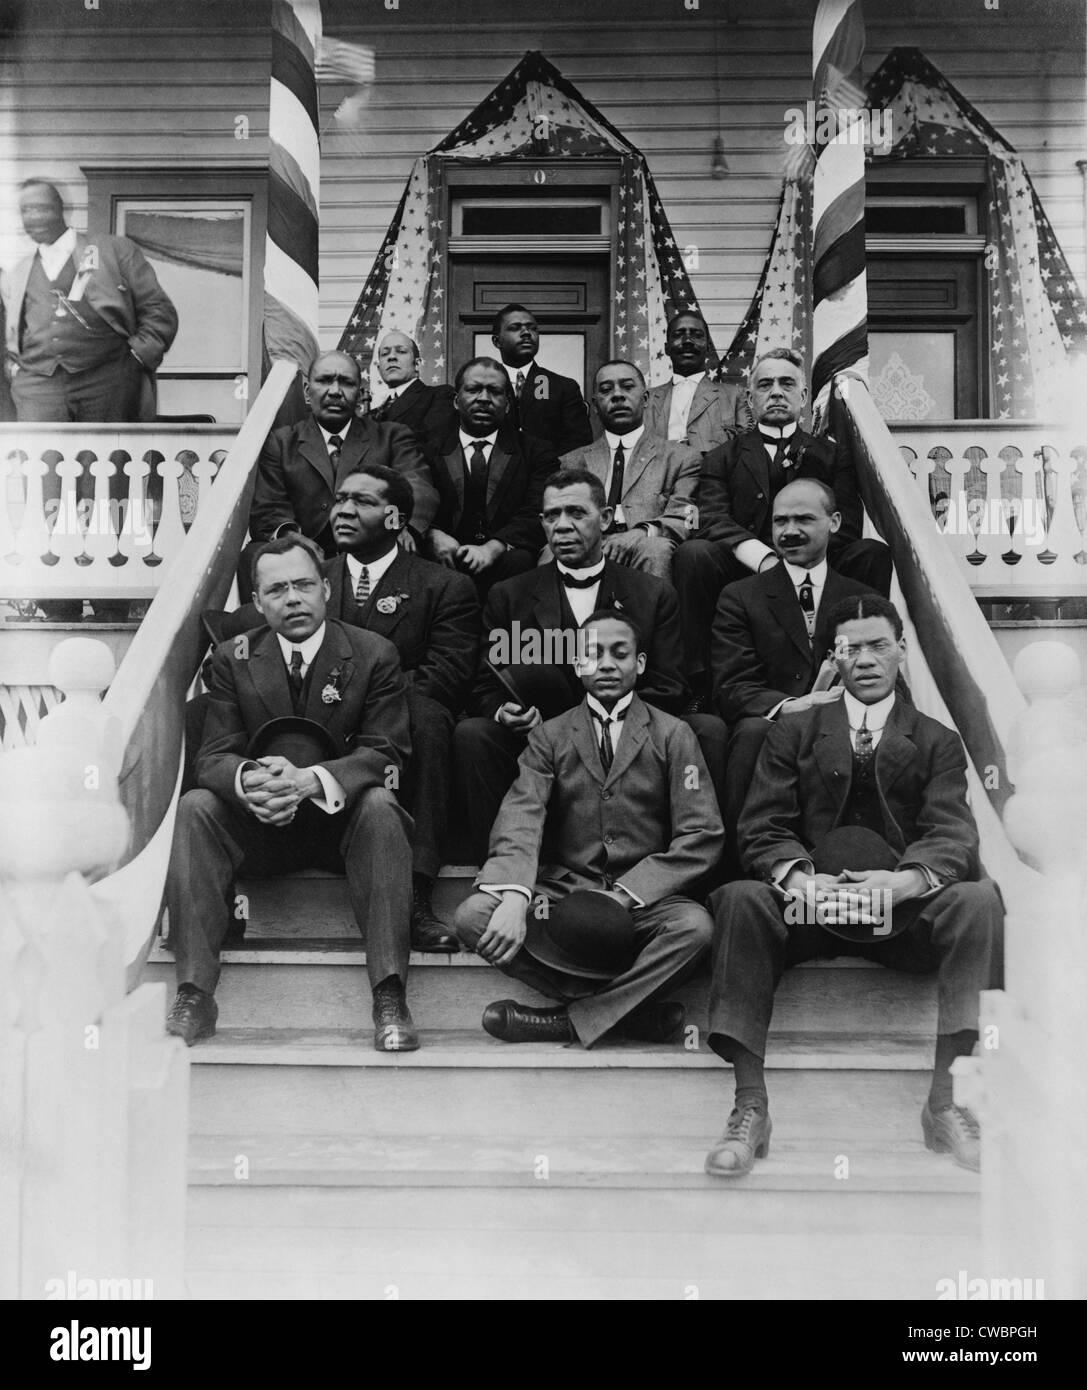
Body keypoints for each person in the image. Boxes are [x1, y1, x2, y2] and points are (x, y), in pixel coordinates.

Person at [703, 594, 1003, 1178]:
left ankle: (947, 1103)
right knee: (741, 898)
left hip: (898, 914)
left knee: (980, 901)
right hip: (810, 911)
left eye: (877, 645)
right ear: (832, 658)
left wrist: (905, 881)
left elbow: (952, 830)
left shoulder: (937, 739)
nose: (864, 659)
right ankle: (750, 1107)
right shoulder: (793, 730)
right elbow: (762, 825)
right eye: (849, 648)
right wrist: (802, 882)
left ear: (900, 651)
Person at [163, 534, 420, 1053]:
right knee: (195, 807)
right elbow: (214, 754)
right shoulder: (234, 656)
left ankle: (390, 992)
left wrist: (310, 781)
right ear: (257, 602)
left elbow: (386, 753)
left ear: (326, 588)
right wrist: (249, 782)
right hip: (261, 826)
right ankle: (194, 994)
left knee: (381, 805)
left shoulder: (373, 654)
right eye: (277, 590)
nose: (293, 599)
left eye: (304, 585)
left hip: (340, 827)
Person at [454, 609, 723, 1047]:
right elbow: (523, 816)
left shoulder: (674, 735)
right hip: (567, 896)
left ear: (640, 664)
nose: (606, 664)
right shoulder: (550, 737)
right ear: (577, 665)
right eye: (592, 654)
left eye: (620, 654)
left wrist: (623, 895)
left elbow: (702, 834)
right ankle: (627, 1014)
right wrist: (514, 894)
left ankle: (567, 1021)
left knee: (696, 929)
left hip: (643, 901)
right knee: (474, 917)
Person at [452, 468, 727, 865]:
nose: (562, 526)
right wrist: (503, 710)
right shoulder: (509, 595)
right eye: (551, 516)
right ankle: (502, 874)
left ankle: (686, 871)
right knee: (473, 734)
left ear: (606, 517)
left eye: (576, 513)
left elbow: (668, 685)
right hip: (538, 740)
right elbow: (484, 684)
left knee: (706, 729)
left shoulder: (653, 594)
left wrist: (603, 726)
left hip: (627, 735)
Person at [674, 346, 891, 702]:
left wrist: (800, 556)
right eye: (765, 385)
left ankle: (862, 666)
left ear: (803, 396)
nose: (776, 392)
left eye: (787, 384)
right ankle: (698, 686)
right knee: (694, 554)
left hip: (818, 565)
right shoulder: (721, 457)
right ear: (750, 398)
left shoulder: (832, 455)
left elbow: (847, 526)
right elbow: (712, 519)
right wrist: (764, 559)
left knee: (871, 553)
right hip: (744, 571)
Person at [324, 464, 481, 950]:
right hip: (320, 713)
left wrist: (368, 701)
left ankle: (415, 892)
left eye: (363, 502)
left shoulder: (443, 585)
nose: (345, 510)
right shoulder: (312, 581)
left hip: (405, 713)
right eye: (340, 498)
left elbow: (447, 674)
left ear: (395, 519)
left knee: (430, 720)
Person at [710, 478, 876, 869]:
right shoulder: (740, 596)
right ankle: (741, 867)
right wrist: (792, 706)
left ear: (834, 522)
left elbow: (879, 675)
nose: (789, 531)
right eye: (780, 521)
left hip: (843, 718)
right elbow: (732, 686)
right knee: (752, 732)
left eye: (803, 519)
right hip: (773, 723)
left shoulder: (862, 600)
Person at [243, 349, 438, 599]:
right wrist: (294, 539)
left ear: (360, 393)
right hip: (307, 550)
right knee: (254, 554)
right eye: (324, 381)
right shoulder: (281, 443)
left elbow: (417, 484)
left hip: (373, 544)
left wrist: (395, 523)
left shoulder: (391, 437)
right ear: (306, 391)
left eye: (346, 383)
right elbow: (268, 507)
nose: (335, 391)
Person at [2, 178, 178, 423]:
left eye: (43, 208)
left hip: (107, 382)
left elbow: (159, 311)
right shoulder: (18, 273)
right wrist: (15, 370)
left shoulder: (113, 251)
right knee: (39, 459)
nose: (34, 217)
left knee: (106, 457)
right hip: (39, 386)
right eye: (26, 210)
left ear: (63, 209)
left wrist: (136, 358)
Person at [427, 356, 557, 599]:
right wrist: (433, 534)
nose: (484, 399)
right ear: (456, 400)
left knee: (519, 561)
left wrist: (494, 547)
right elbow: (418, 502)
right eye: (474, 389)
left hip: (510, 565)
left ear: (507, 404)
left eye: (494, 391)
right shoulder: (429, 450)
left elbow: (538, 511)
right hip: (443, 560)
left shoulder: (536, 452)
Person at [560, 359, 700, 582]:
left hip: (646, 545)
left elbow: (689, 519)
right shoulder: (571, 462)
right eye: (606, 390)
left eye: (627, 387)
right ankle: (538, 619)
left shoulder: (681, 458)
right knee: (550, 553)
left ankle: (652, 616)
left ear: (645, 399)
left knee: (656, 550)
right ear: (595, 405)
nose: (617, 395)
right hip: (589, 543)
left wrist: (639, 534)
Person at [643, 311, 751, 459]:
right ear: (667, 348)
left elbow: (747, 450)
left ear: (708, 346)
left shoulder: (735, 396)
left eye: (697, 335)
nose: (687, 341)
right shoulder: (646, 399)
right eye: (678, 334)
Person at [490, 302, 592, 455]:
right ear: (497, 341)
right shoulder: (484, 388)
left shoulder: (564, 387)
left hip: (549, 475)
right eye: (515, 327)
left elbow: (578, 445)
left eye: (532, 328)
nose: (526, 333)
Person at [368, 330, 456, 459]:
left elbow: (430, 449)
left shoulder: (440, 396)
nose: (391, 357)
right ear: (379, 368)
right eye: (384, 354)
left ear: (417, 364)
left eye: (401, 351)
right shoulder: (372, 415)